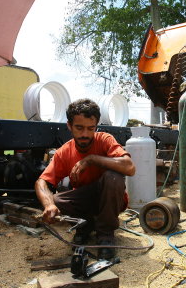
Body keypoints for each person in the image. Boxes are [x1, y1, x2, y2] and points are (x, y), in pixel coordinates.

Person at [35, 98, 136, 259]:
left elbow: (129, 167)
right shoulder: (64, 152)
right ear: (69, 126)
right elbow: (42, 182)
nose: (85, 134)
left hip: (110, 198)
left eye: (91, 128)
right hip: (85, 200)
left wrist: (92, 159)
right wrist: (48, 205)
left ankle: (106, 235)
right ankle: (85, 226)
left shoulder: (105, 140)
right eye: (79, 128)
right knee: (57, 200)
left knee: (114, 176)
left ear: (96, 127)